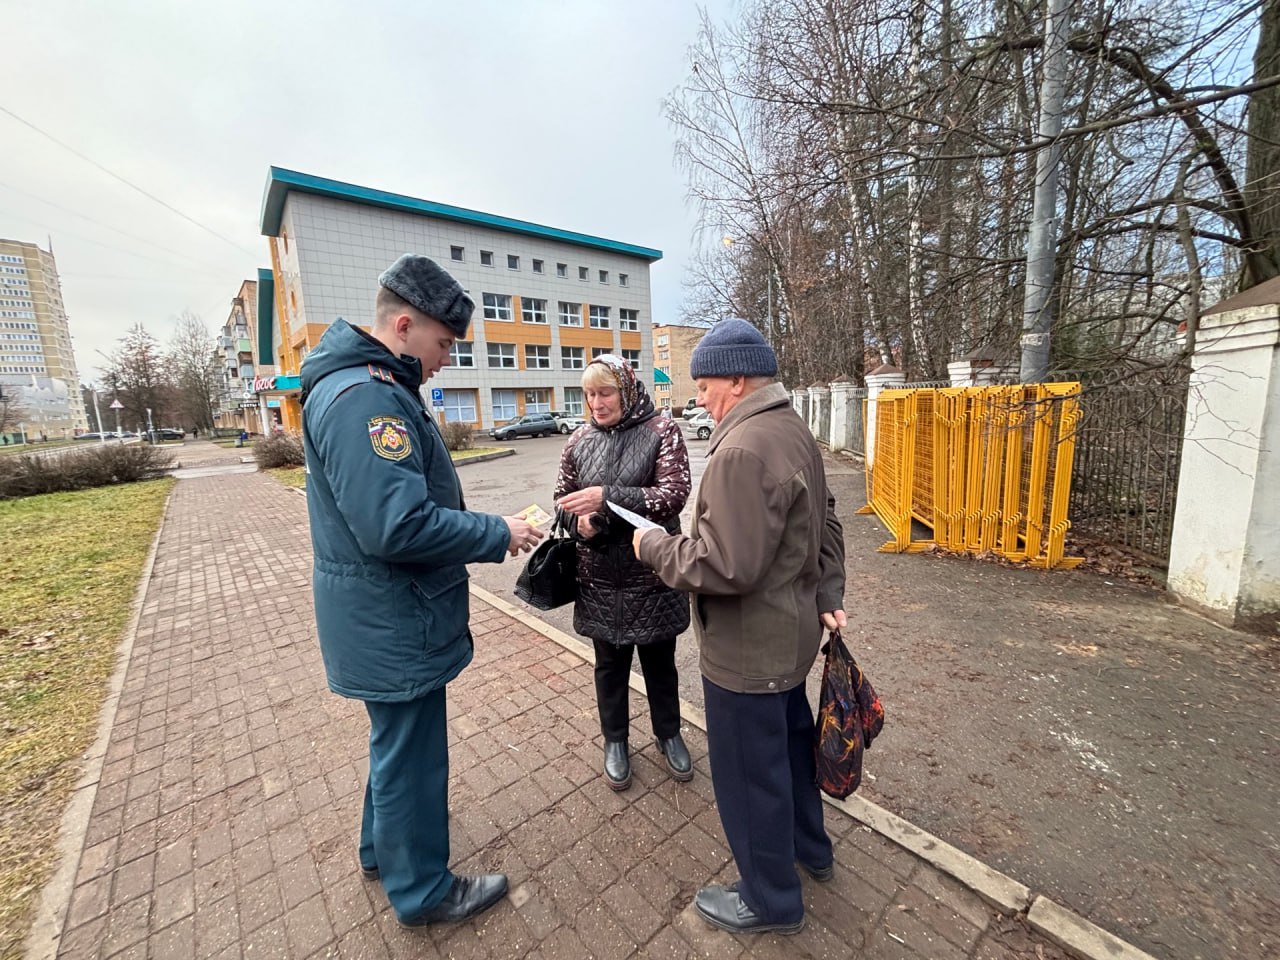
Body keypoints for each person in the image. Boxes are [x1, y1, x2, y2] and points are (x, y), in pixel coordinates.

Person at [299, 254, 545, 929]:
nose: (446, 361)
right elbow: (397, 525)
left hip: (381, 614)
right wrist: (500, 530)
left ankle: (381, 852)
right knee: (412, 757)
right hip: (393, 618)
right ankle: (426, 893)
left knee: (394, 744)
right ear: (403, 325)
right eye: (442, 344)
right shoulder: (367, 397)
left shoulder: (362, 384)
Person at [631, 319, 846, 935]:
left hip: (749, 651)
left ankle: (770, 900)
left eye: (703, 385)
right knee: (787, 754)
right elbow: (826, 521)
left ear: (736, 377)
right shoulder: (792, 428)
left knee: (751, 779)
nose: (697, 398)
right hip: (790, 637)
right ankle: (811, 851)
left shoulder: (744, 448)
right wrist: (828, 589)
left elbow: (725, 564)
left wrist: (653, 545)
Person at [554, 355, 693, 790]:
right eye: (590, 394)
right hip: (599, 576)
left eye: (605, 392)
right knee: (608, 667)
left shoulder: (661, 432)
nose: (596, 403)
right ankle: (615, 741)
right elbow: (562, 497)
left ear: (627, 391)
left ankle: (668, 733)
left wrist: (606, 498)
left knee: (659, 664)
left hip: (651, 573)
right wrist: (580, 520)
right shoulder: (578, 440)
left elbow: (673, 495)